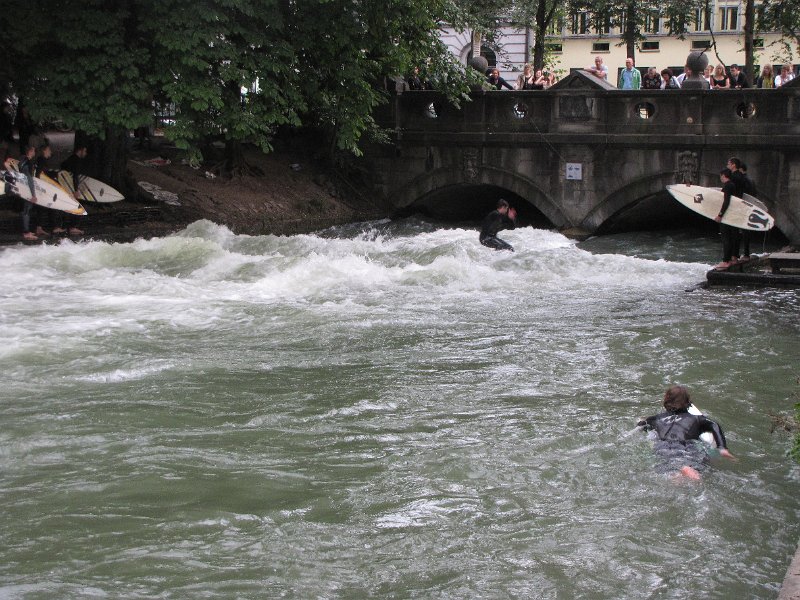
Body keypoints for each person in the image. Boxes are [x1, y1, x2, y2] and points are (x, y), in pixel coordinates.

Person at [638, 385, 735, 480]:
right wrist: (722, 447)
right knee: (697, 469)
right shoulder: (697, 419)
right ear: (688, 402)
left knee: (669, 471)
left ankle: (680, 473)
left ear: (666, 400)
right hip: (686, 447)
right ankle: (687, 470)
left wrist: (644, 421)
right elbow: (714, 425)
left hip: (663, 447)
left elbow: (641, 425)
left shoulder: (656, 419)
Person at [36, 142, 66, 235]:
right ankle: (53, 227)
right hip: (43, 188)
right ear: (44, 151)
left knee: (45, 208)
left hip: (43, 188)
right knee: (49, 206)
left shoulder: (41, 160)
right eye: (49, 150)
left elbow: (44, 173)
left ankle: (47, 227)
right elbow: (40, 174)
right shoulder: (41, 160)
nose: (50, 152)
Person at [60, 145, 88, 236]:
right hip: (71, 188)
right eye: (85, 151)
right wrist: (76, 190)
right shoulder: (77, 161)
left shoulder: (69, 159)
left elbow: (62, 168)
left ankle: (64, 226)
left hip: (65, 187)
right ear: (80, 150)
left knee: (68, 206)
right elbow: (75, 176)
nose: (85, 154)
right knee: (78, 207)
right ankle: (73, 227)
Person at [715, 168, 740, 268]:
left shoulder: (728, 186)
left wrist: (720, 215)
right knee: (732, 237)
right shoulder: (732, 185)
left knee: (726, 238)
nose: (720, 178)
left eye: (721, 176)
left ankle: (726, 261)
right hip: (732, 216)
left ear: (724, 175)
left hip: (727, 216)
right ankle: (732, 258)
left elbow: (726, 201)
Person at [18, 144, 40, 241]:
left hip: (23, 187)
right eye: (34, 151)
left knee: (26, 210)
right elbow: (29, 178)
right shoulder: (27, 162)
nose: (34, 153)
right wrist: (33, 194)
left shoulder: (22, 159)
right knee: (26, 210)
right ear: (30, 151)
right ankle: (26, 233)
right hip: (27, 189)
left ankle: (26, 231)